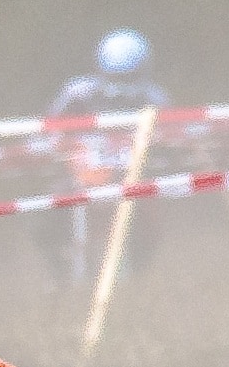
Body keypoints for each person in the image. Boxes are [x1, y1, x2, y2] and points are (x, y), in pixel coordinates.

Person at [50, 27, 161, 275]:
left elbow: (168, 139)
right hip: (79, 173)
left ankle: (140, 277)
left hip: (131, 175)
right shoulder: (77, 93)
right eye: (116, 76)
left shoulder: (154, 98)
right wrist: (69, 151)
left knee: (151, 223)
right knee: (45, 219)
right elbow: (51, 130)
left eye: (129, 77)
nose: (122, 86)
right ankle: (60, 273)